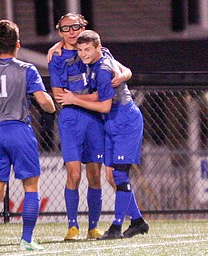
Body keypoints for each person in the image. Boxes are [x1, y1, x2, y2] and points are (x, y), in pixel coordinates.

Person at [0, 19, 56, 252]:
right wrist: (50, 110)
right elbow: (44, 100)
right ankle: (26, 239)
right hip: (19, 131)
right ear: (18, 44)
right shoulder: (27, 70)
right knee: (31, 185)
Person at [55, 30, 149, 240]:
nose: (83, 54)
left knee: (119, 175)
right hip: (111, 122)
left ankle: (116, 227)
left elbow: (105, 106)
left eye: (87, 49)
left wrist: (74, 99)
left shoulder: (103, 69)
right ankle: (137, 221)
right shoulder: (100, 57)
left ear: (97, 48)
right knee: (110, 175)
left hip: (124, 120)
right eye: (80, 50)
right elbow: (115, 81)